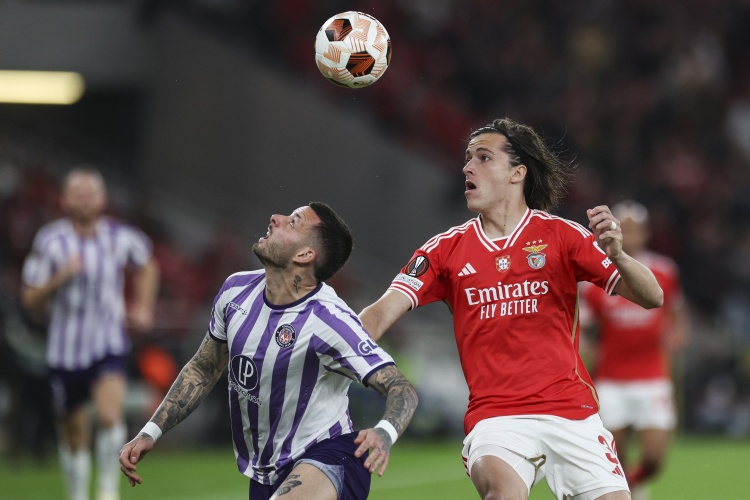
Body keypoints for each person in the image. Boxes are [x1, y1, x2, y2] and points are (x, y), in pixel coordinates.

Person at [359, 117, 664, 500]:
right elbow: (381, 312)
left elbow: (652, 296)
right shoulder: (443, 251)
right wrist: (334, 346)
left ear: (517, 173)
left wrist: (618, 255)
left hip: (572, 412)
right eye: (467, 158)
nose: (468, 167)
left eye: (483, 157)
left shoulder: (563, 236)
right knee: (502, 494)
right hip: (496, 418)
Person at [119, 202, 419, 500]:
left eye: (293, 221)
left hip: (331, 455)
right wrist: (151, 431)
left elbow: (401, 388)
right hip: (266, 473)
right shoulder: (235, 291)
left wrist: (384, 432)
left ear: (305, 255)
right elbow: (203, 369)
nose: (276, 218)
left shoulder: (329, 320)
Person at [20, 167, 160, 500]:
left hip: (107, 342)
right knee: (74, 435)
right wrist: (59, 278)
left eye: (90, 193)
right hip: (64, 350)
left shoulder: (118, 235)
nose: (84, 199)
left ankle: (108, 490)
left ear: (102, 199)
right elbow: (29, 296)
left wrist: (144, 307)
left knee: (110, 415)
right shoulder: (50, 240)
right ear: (65, 199)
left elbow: (147, 264)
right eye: (78, 193)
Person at [579, 200, 689, 499]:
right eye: (623, 229)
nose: (629, 235)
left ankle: (633, 485)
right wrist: (588, 348)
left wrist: (678, 334)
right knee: (616, 456)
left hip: (652, 376)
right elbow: (583, 326)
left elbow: (677, 311)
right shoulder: (597, 275)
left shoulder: (664, 270)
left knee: (654, 458)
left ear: (646, 233)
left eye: (635, 230)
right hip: (612, 380)